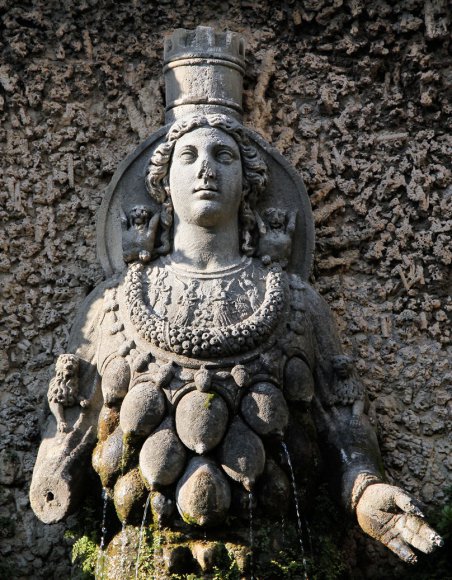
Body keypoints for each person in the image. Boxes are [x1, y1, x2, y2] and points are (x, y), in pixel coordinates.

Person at [31, 113, 442, 566]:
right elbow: (68, 429)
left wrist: (367, 491)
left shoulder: (298, 303)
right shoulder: (111, 307)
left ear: (248, 182)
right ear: (163, 184)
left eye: (222, 155)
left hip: (274, 561)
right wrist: (53, 478)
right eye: (188, 157)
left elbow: (341, 422)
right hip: (140, 564)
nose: (206, 168)